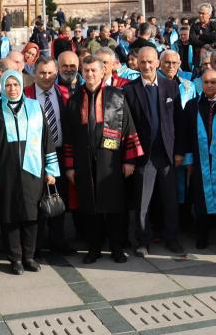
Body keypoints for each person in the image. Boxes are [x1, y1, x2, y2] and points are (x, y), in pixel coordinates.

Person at [65, 57, 141, 264]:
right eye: (86, 70)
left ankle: (116, 248)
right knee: (89, 208)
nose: (90, 74)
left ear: (102, 72)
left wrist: (129, 161)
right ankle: (94, 248)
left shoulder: (117, 96)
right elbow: (69, 135)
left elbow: (128, 128)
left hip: (112, 161)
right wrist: (70, 166)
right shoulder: (73, 100)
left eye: (93, 71)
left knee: (115, 207)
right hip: (84, 161)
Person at [0, 70, 59, 274]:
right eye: (8, 85)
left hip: (33, 171)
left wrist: (51, 170)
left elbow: (47, 140)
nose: (12, 89)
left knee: (32, 215)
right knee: (9, 216)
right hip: (5, 173)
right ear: (3, 87)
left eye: (16, 85)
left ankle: (29, 256)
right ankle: (15, 258)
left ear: (21, 86)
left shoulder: (34, 108)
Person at [124, 46, 183, 255]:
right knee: (142, 202)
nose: (147, 65)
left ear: (157, 63)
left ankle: (171, 238)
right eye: (142, 62)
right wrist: (130, 157)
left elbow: (179, 121)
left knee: (170, 200)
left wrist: (179, 152)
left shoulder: (171, 87)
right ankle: (142, 240)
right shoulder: (129, 90)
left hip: (166, 154)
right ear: (136, 64)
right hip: (143, 156)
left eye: (150, 61)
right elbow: (127, 126)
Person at [175, 68, 216, 249]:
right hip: (200, 159)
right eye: (206, 82)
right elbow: (185, 134)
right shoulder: (192, 105)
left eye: (214, 82)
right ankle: (202, 235)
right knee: (200, 199)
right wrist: (188, 161)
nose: (210, 85)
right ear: (201, 84)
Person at [24, 57, 73, 254]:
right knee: (36, 199)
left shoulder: (64, 93)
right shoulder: (26, 95)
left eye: (50, 73)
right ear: (34, 73)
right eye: (42, 73)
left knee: (58, 198)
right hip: (33, 156)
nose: (46, 77)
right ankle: (36, 245)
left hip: (60, 153)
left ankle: (58, 240)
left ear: (57, 73)